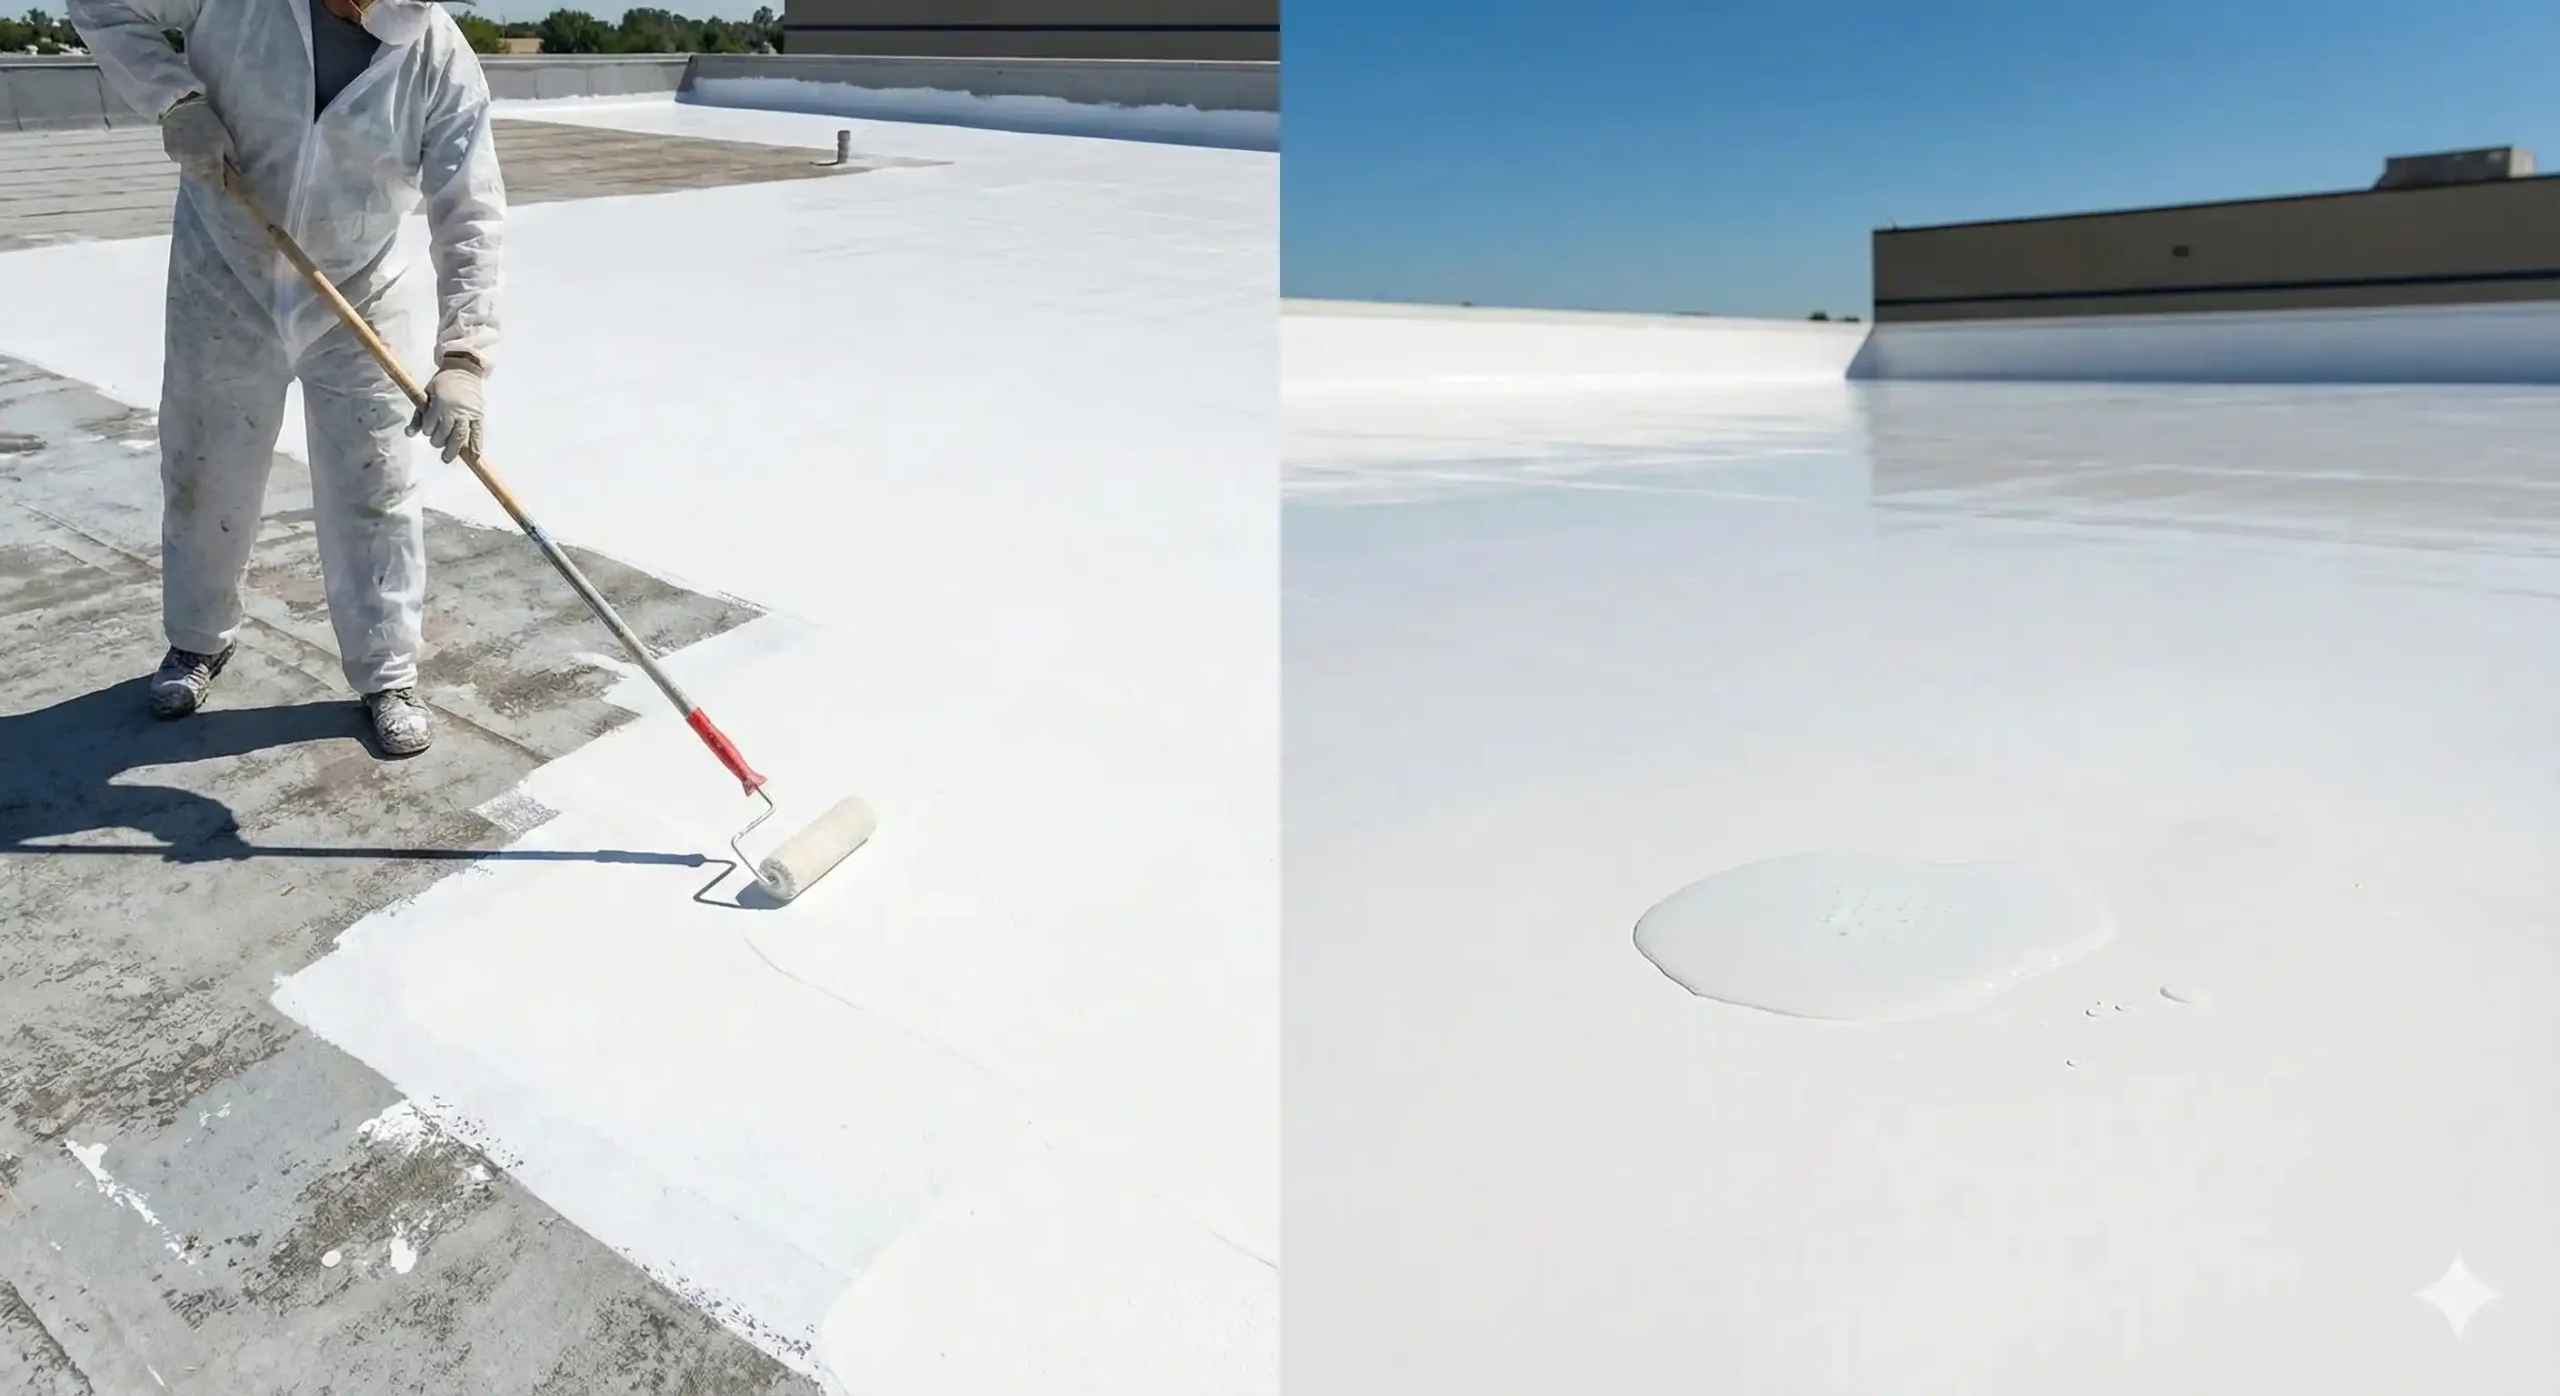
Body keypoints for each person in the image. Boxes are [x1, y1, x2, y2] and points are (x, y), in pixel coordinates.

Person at [71, 0, 505, 756]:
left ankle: (387, 672)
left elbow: (468, 211)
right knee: (207, 468)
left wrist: (463, 359)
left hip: (358, 292)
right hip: (225, 272)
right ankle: (198, 640)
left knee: (375, 485)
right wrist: (177, 97)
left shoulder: (439, 58)